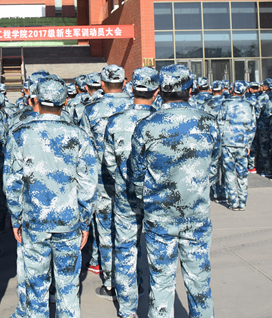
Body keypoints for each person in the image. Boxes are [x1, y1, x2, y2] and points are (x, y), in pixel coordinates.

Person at [129, 65, 218, 318]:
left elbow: (137, 173)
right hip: (196, 213)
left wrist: (147, 198)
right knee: (199, 283)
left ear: (159, 91)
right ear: (190, 90)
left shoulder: (147, 125)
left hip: (159, 215)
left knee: (161, 283)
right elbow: (213, 167)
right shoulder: (208, 122)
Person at [5, 77, 97, 318]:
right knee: (68, 287)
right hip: (68, 221)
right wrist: (85, 221)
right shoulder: (79, 135)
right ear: (65, 102)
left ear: (35, 99)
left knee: (36, 288)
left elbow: (12, 182)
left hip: (34, 221)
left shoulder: (20, 134)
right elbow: (88, 183)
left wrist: (16, 217)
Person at [102, 67, 159, 318]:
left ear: (132, 88)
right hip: (157, 195)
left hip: (125, 193)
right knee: (159, 253)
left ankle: (127, 309)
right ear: (157, 92)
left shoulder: (116, 121)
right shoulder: (161, 120)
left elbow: (109, 163)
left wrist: (118, 184)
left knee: (125, 249)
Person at [79, 64, 134, 300]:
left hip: (102, 180)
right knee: (132, 232)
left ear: (102, 84)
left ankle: (111, 283)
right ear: (124, 82)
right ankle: (134, 281)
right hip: (132, 179)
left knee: (106, 232)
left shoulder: (91, 110)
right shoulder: (135, 105)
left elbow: (84, 149)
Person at [216, 81, 256, 210]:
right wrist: (249, 144)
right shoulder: (249, 105)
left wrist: (220, 141)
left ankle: (233, 201)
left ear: (232, 89)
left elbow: (219, 124)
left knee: (229, 173)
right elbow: (252, 126)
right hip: (242, 143)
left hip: (227, 142)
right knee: (242, 173)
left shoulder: (225, 104)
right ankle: (243, 202)